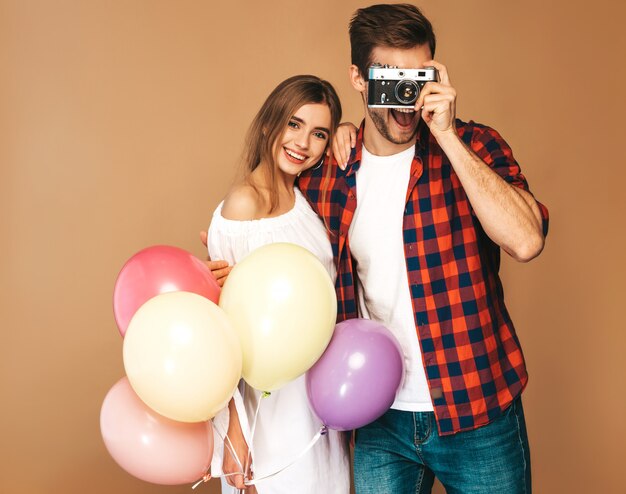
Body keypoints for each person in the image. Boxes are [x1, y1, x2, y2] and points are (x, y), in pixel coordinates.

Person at [297, 4, 549, 494]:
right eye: (388, 78)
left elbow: (526, 240)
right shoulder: (328, 173)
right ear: (358, 78)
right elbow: (285, 250)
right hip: (376, 413)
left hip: (476, 404)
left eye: (415, 77)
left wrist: (448, 136)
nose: (405, 97)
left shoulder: (475, 144)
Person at [205, 75, 349, 494]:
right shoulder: (243, 203)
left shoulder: (307, 198)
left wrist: (348, 131)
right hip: (264, 412)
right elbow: (223, 327)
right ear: (270, 123)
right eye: (294, 124)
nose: (303, 142)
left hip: (315, 403)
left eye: (318, 133)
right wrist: (234, 431)